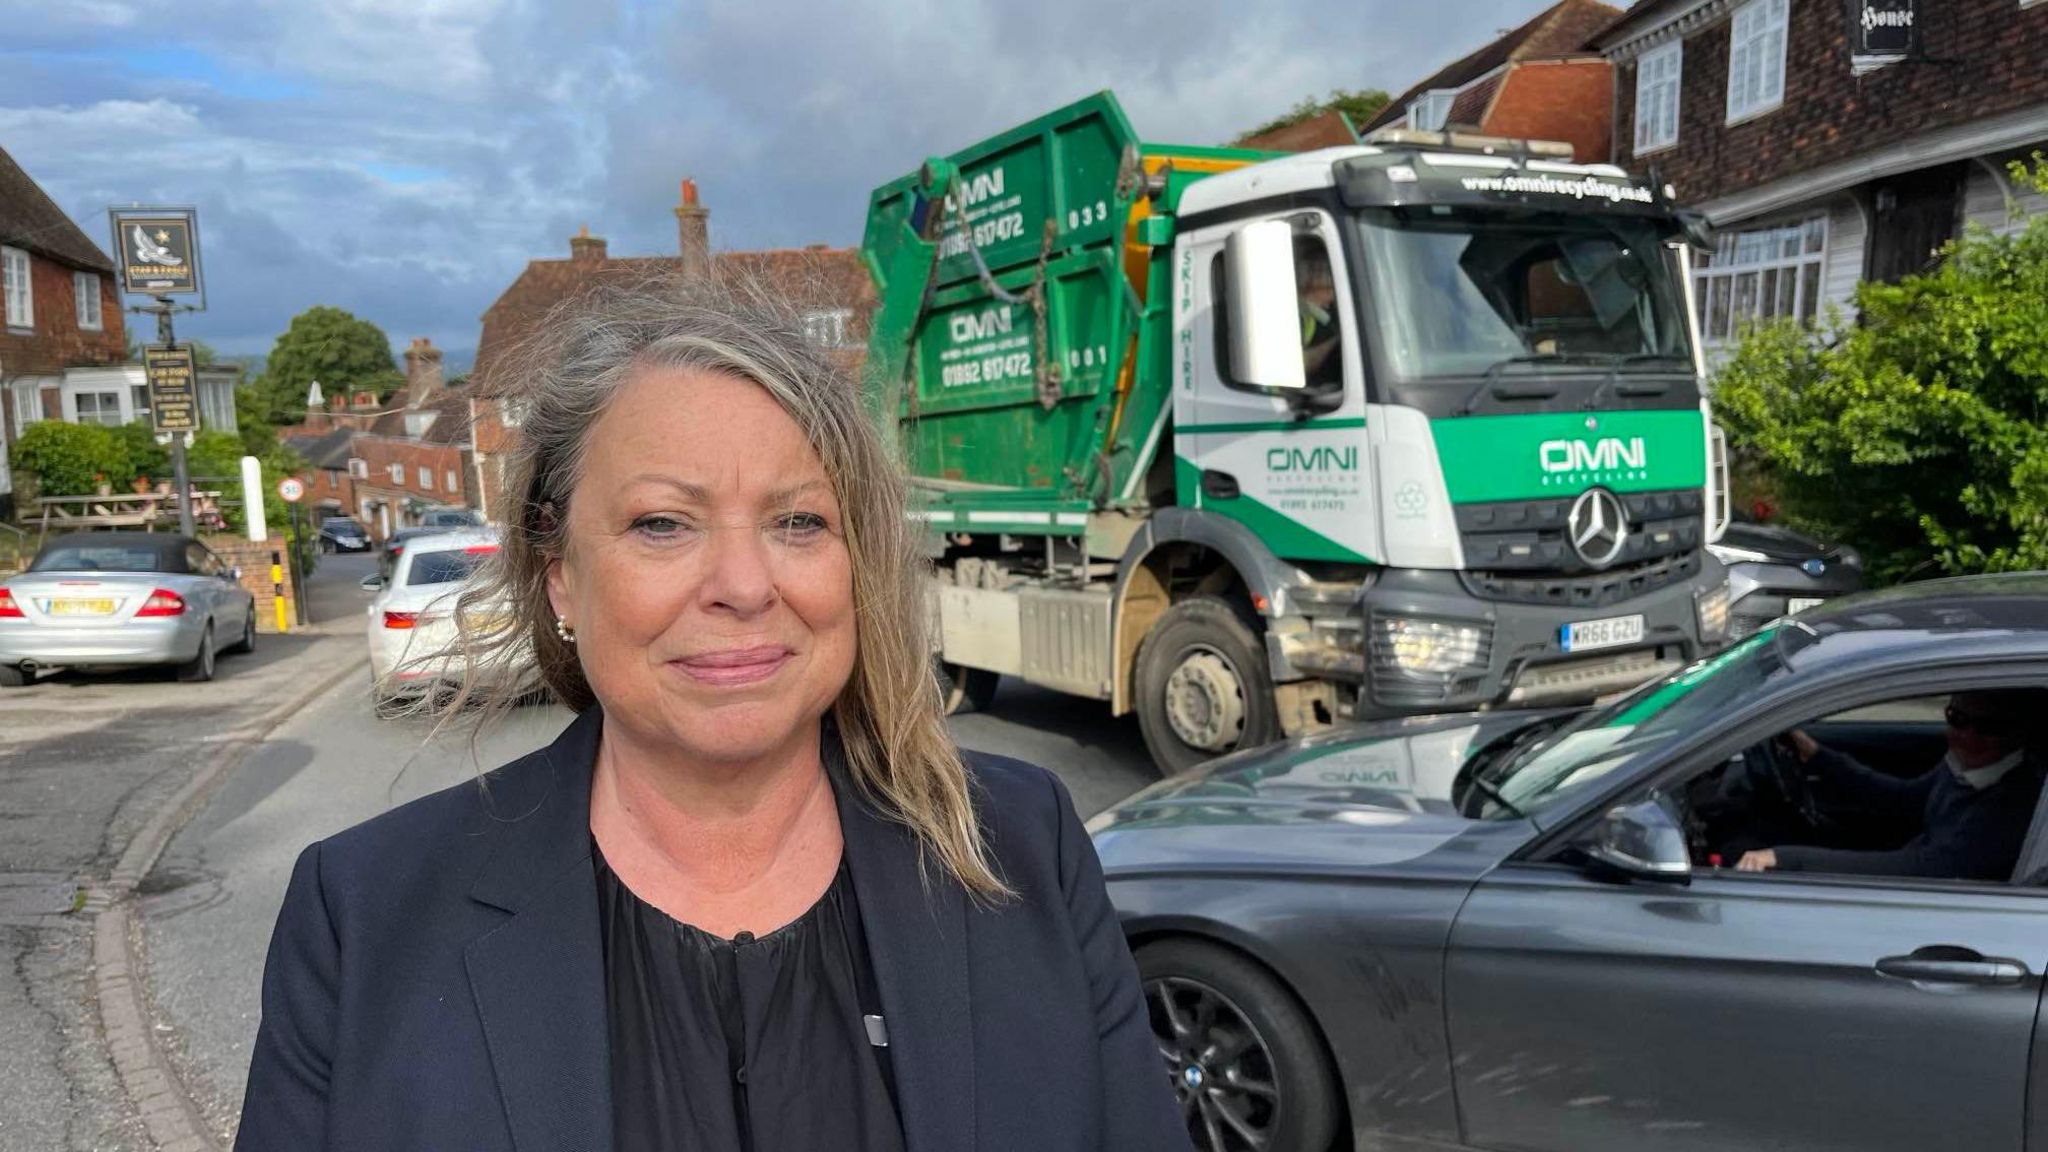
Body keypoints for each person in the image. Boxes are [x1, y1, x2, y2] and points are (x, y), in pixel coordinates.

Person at [235, 276, 1189, 1152]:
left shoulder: (1022, 847)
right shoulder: (364, 916)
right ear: (561, 576)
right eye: (663, 524)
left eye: (800, 522)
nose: (743, 585)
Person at [1735, 690, 2047, 880]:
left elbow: (1919, 867)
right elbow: (1902, 798)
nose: (1966, 735)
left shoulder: (2013, 808)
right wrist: (1817, 756)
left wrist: (1784, 858)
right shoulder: (1968, 766)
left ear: (2022, 732)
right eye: (1957, 718)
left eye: (1989, 727)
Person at [1295, 238, 1341, 386]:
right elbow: (1297, 366)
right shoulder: (1295, 315)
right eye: (1330, 288)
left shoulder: (1316, 317)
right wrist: (1335, 341)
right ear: (1315, 282)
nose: (1333, 297)